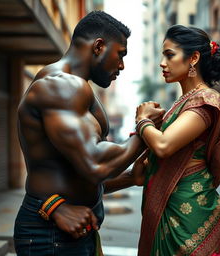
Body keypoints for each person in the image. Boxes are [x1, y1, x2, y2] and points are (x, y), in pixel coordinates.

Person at [14, 11, 164, 256]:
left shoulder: (78, 89)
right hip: (50, 236)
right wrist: (143, 126)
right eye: (120, 54)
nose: (122, 65)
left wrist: (130, 177)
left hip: (72, 233)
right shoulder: (61, 85)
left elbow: (78, 174)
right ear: (98, 46)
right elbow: (94, 163)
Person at [135, 25, 220, 256]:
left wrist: (142, 120)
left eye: (170, 54)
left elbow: (163, 146)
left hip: (190, 216)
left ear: (194, 58)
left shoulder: (206, 100)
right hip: (170, 208)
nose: (162, 63)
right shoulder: (183, 104)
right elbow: (154, 161)